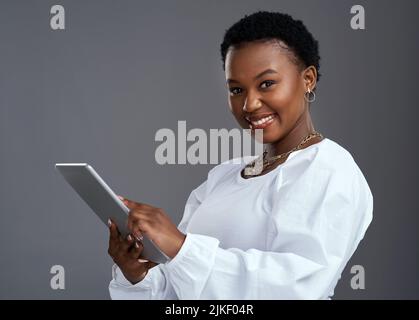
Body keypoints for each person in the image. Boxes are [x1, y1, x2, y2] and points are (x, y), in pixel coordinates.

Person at [107, 11, 373, 299]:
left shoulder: (329, 169)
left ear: (307, 79)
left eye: (267, 83)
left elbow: (297, 288)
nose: (249, 104)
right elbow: (178, 291)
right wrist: (137, 274)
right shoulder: (224, 176)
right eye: (236, 89)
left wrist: (180, 246)